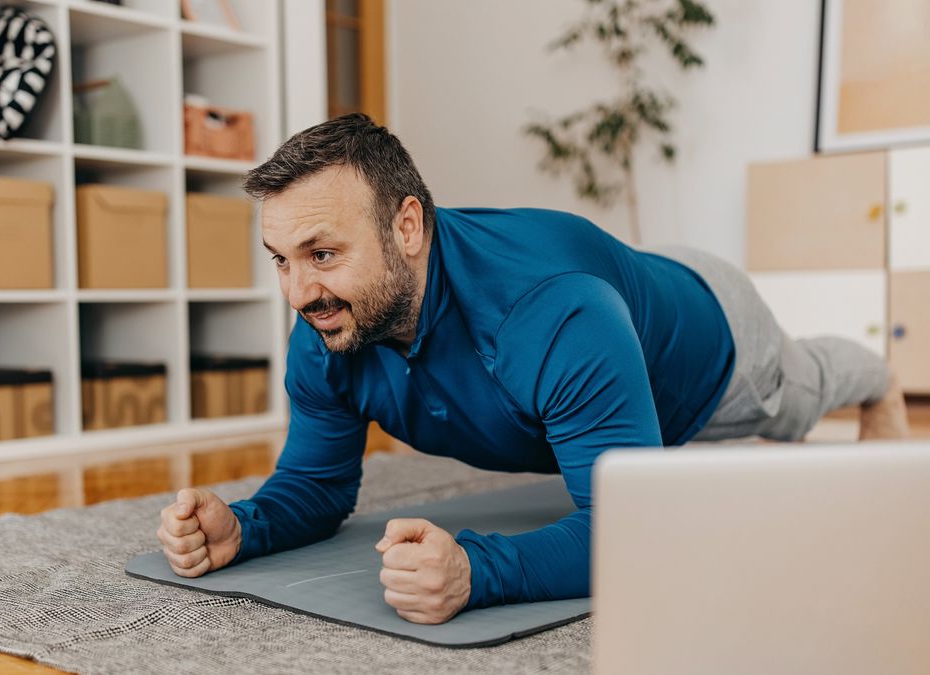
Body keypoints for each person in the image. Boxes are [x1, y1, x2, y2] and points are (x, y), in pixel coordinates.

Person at [155, 113, 910, 625]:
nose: (298, 291)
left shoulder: (553, 317)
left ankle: (878, 374)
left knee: (801, 396)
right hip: (620, 296)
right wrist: (243, 527)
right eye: (281, 261)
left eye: (322, 253)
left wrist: (477, 572)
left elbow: (635, 528)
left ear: (407, 226)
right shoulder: (331, 322)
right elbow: (317, 485)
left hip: (712, 342)